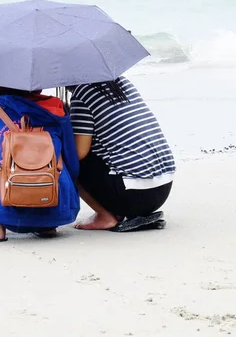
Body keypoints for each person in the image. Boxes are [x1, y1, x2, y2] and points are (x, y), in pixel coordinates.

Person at [0, 85, 80, 241]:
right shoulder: (57, 109)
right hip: (58, 209)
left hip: (8, 211)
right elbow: (72, 163)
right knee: (58, 158)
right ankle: (46, 227)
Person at [67, 76, 176, 231]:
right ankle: (118, 208)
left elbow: (79, 153)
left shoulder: (82, 94)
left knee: (69, 162)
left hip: (135, 196)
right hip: (162, 188)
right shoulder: (120, 82)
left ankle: (104, 216)